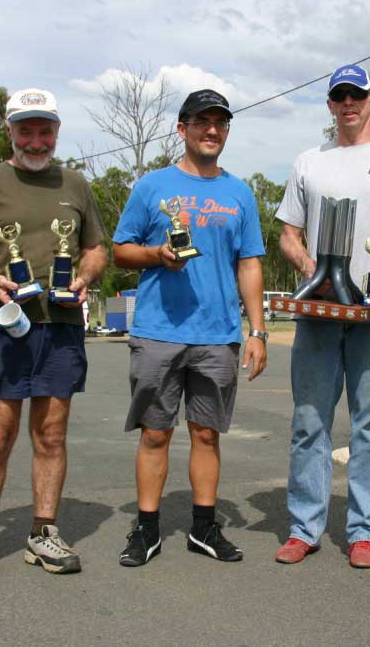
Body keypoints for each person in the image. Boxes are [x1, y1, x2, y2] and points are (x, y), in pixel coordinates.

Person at [0, 87, 108, 581]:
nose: (36, 141)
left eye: (45, 130)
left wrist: (85, 276)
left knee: (50, 434)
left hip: (61, 326)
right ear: (10, 131)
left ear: (57, 131)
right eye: (26, 130)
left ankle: (43, 533)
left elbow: (96, 248)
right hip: (2, 324)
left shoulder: (76, 184)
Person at [274, 63, 370, 569]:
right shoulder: (309, 162)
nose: (349, 104)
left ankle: (364, 532)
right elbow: (288, 235)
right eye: (340, 96)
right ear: (329, 104)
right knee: (308, 422)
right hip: (319, 316)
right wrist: (313, 272)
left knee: (369, 426)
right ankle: (304, 528)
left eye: (357, 95)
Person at [112, 89, 267, 567]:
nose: (212, 130)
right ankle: (147, 529)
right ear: (182, 129)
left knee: (206, 435)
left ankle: (203, 528)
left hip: (217, 335)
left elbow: (250, 263)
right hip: (158, 331)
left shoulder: (240, 193)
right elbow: (120, 251)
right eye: (201, 121)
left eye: (220, 122)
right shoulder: (152, 186)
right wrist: (156, 255)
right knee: (155, 433)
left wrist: (258, 331)